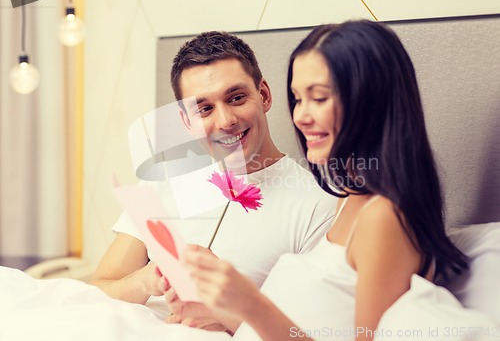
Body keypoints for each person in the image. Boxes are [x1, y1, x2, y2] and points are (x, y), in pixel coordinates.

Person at [182, 20, 469, 340]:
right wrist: (232, 314)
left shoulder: (383, 218)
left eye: (318, 98)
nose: (300, 116)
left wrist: (251, 304)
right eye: (298, 98)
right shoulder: (349, 200)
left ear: (369, 102)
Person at [89, 31, 338, 331]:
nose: (225, 121)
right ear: (186, 122)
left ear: (265, 95)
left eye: (236, 98)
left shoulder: (317, 205)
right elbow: (98, 290)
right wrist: (148, 278)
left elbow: (313, 333)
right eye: (204, 109)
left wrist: (229, 317)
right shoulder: (162, 181)